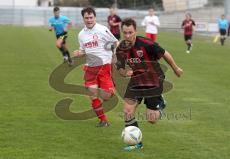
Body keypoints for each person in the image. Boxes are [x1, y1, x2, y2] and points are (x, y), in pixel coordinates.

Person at [116, 18, 183, 151]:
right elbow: (120, 68)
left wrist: (176, 68)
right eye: (125, 32)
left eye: (130, 32)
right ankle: (136, 143)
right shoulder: (121, 48)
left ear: (135, 31)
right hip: (136, 81)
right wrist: (125, 72)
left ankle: (161, 103)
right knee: (128, 111)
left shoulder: (147, 44)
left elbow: (165, 54)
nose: (128, 35)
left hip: (153, 80)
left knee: (152, 119)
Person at [73, 7, 118, 127]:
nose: (89, 20)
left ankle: (111, 86)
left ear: (95, 17)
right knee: (92, 95)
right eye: (86, 18)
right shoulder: (81, 34)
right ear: (83, 18)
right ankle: (103, 120)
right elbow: (84, 50)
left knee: (107, 96)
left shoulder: (103, 30)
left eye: (91, 17)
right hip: (90, 68)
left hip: (104, 66)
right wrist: (79, 53)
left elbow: (115, 42)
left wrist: (114, 56)